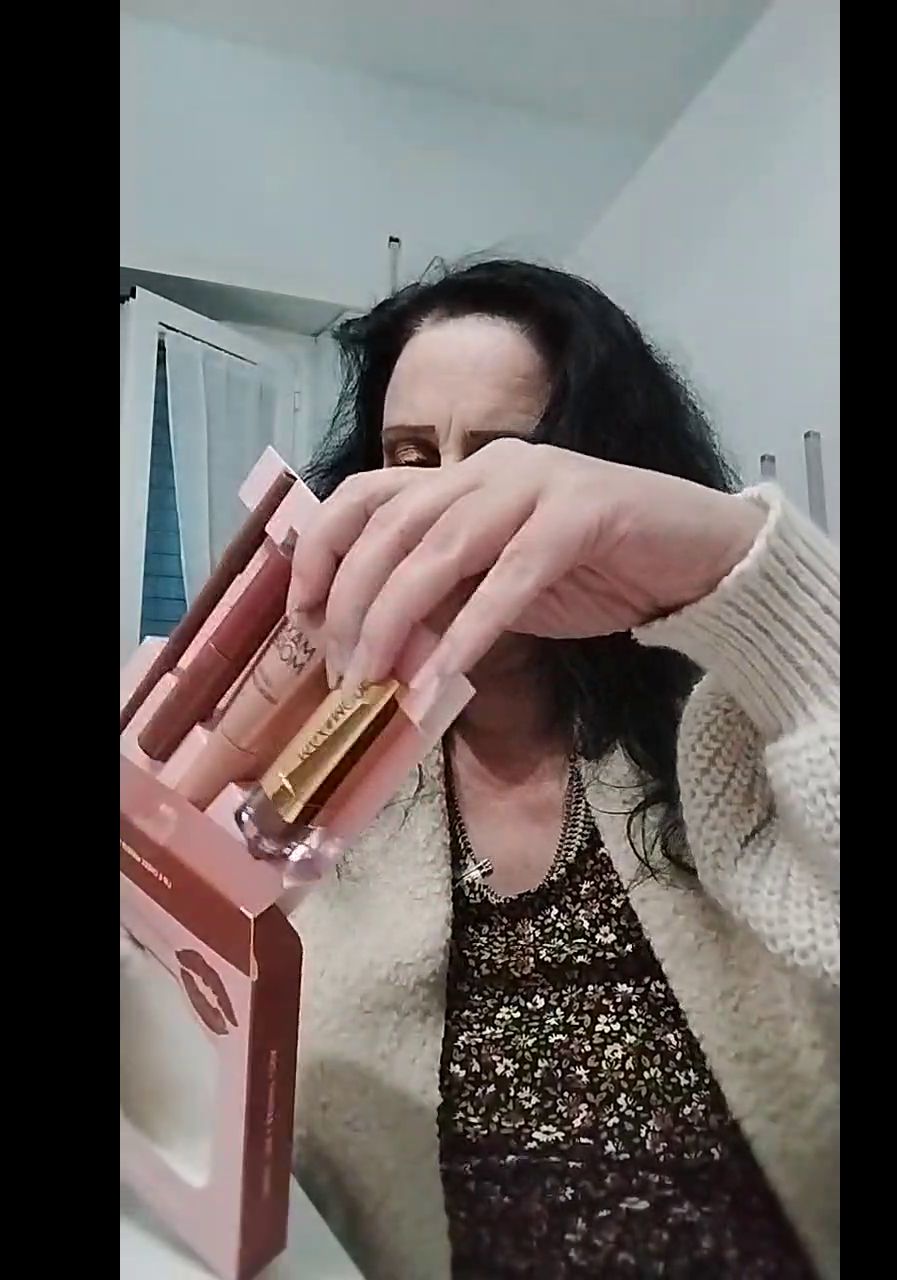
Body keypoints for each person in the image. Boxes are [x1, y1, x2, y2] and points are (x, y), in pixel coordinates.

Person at [289, 260, 839, 1280]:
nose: (445, 506)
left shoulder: (729, 732)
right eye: (409, 456)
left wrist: (737, 567)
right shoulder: (310, 771)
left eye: (501, 463)